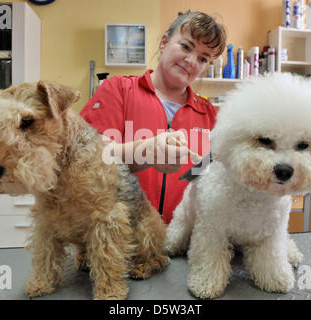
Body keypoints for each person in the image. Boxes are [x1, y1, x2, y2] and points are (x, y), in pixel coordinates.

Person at [80, 11, 227, 224]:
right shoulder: (119, 90)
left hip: (184, 244)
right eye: (186, 47)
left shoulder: (210, 116)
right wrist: (146, 152)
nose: (191, 60)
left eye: (203, 58)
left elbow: (215, 179)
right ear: (164, 43)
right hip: (121, 238)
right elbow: (85, 158)